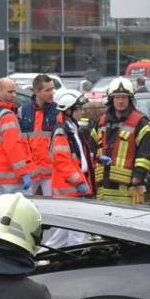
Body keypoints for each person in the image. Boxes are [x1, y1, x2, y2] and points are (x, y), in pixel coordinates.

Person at [89, 77, 150, 204]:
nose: (120, 101)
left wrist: (138, 176)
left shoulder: (140, 122)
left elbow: (145, 154)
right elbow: (91, 148)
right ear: (111, 99)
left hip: (128, 186)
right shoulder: (101, 121)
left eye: (124, 97)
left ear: (130, 99)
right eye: (117, 97)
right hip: (102, 184)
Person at [45, 89, 94, 248]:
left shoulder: (71, 128)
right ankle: (71, 260)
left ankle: (45, 258)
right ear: (68, 110)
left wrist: (96, 158)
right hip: (69, 188)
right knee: (73, 231)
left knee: (68, 231)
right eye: (79, 109)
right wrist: (78, 181)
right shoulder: (62, 131)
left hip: (73, 187)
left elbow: (78, 155)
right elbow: (62, 161)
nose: (82, 111)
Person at [19, 74, 60, 196]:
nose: (51, 93)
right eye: (47, 90)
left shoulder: (58, 111)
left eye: (52, 89)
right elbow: (19, 141)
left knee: (53, 208)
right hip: (30, 170)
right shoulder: (23, 111)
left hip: (51, 171)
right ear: (36, 91)